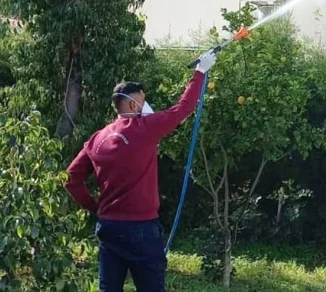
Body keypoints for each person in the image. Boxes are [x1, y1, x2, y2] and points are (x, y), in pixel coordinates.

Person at [64, 51, 217, 292]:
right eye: (143, 102)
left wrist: (96, 208)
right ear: (133, 104)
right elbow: (183, 109)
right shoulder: (145, 128)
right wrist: (200, 73)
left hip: (109, 228)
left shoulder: (97, 138)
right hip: (142, 230)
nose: (147, 107)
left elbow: (71, 179)